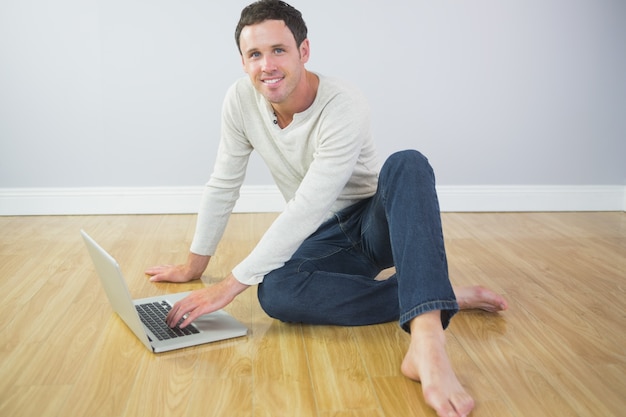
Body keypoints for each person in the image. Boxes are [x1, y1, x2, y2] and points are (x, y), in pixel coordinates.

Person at [146, 1, 508, 416]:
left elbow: (307, 205)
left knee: (407, 162)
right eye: (255, 55)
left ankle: (427, 343)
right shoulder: (239, 101)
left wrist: (226, 287)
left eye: (279, 50)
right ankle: (434, 295)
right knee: (276, 292)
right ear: (243, 62)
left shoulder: (344, 104)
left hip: (374, 223)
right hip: (325, 239)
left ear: (304, 51)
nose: (267, 65)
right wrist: (194, 267)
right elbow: (224, 182)